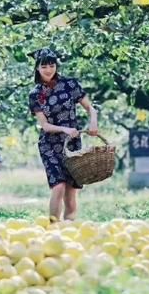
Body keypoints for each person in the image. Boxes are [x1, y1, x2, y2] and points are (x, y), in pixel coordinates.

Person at [27, 48, 98, 221]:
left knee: (71, 192)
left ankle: (69, 230)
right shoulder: (35, 94)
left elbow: (90, 107)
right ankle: (53, 228)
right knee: (58, 186)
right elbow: (44, 125)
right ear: (37, 68)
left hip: (72, 144)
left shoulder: (70, 85)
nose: (49, 70)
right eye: (44, 66)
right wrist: (64, 129)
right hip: (49, 144)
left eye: (52, 65)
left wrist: (93, 121)